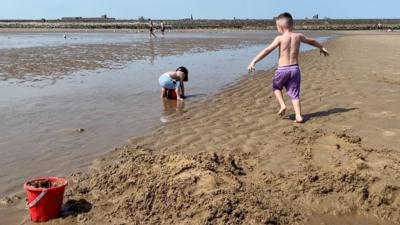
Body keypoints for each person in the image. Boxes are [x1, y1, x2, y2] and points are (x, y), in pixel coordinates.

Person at [247, 12, 329, 123]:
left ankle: (282, 105)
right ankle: (299, 116)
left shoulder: (279, 38)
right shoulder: (298, 36)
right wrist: (321, 47)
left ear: (280, 27)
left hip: (282, 69)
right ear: (292, 25)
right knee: (295, 94)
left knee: (276, 87)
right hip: (295, 69)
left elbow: (267, 50)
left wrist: (254, 61)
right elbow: (312, 41)